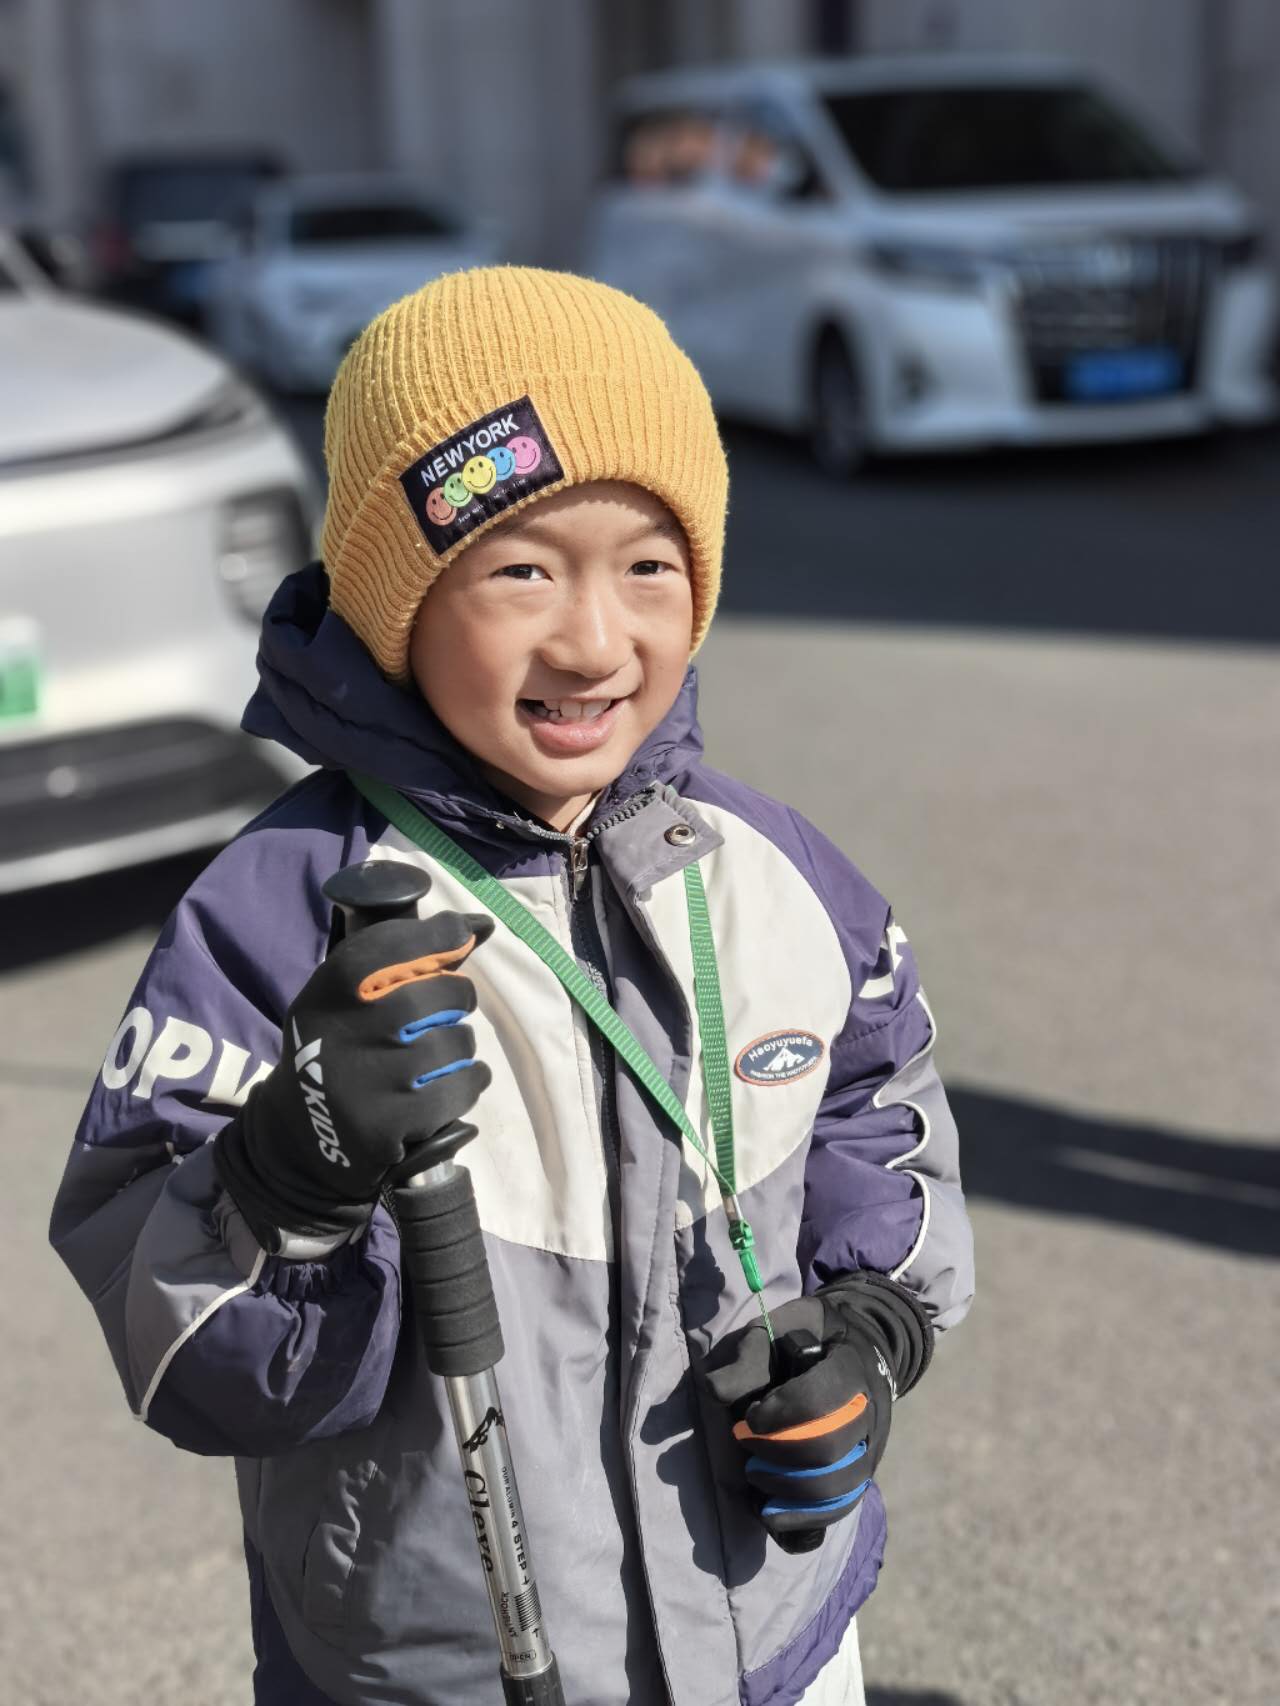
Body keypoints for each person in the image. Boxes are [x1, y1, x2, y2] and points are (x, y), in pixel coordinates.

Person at [50, 267, 974, 1706]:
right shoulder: (278, 910)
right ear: (396, 603)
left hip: (771, 1632)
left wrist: (870, 1325)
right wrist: (292, 1170)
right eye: (521, 571)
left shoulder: (773, 870)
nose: (595, 641)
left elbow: (876, 1095)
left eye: (649, 566)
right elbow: (171, 1339)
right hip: (432, 1661)